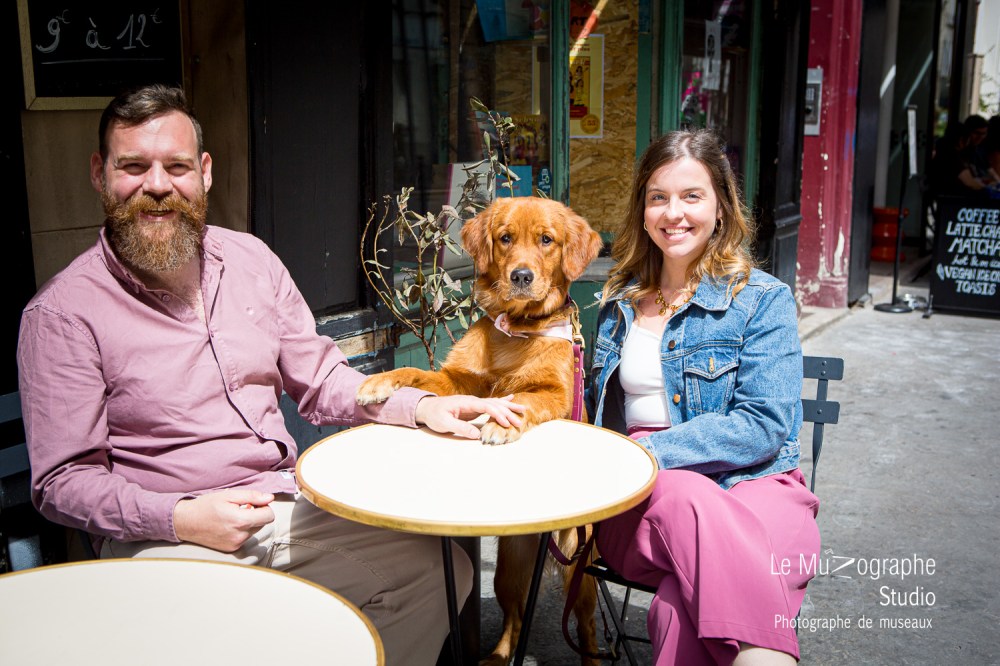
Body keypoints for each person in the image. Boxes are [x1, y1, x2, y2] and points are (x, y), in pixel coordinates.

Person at [16, 84, 525, 665]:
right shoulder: (63, 314)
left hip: (280, 507)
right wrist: (180, 517)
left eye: (176, 166)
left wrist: (421, 405)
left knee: (438, 570)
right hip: (163, 536)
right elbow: (62, 483)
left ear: (205, 173)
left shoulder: (251, 260)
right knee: (239, 636)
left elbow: (322, 380)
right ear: (100, 174)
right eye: (133, 166)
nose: (157, 185)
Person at [586, 129, 820, 665]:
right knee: (687, 494)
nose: (674, 213)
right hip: (645, 496)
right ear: (642, 210)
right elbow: (594, 413)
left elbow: (764, 425)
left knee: (677, 605)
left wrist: (651, 449)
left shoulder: (763, 300)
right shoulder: (618, 304)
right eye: (658, 197)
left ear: (721, 207)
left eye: (692, 196)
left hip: (756, 481)